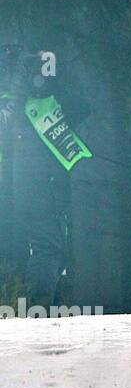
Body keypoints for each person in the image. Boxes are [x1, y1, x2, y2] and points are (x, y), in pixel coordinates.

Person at [0, 46, 91, 306]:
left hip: (20, 187)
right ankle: (35, 313)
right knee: (47, 247)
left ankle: (27, 310)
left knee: (30, 250)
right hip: (32, 185)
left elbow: (81, 108)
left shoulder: (29, 101)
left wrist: (48, 86)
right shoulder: (26, 105)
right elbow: (81, 108)